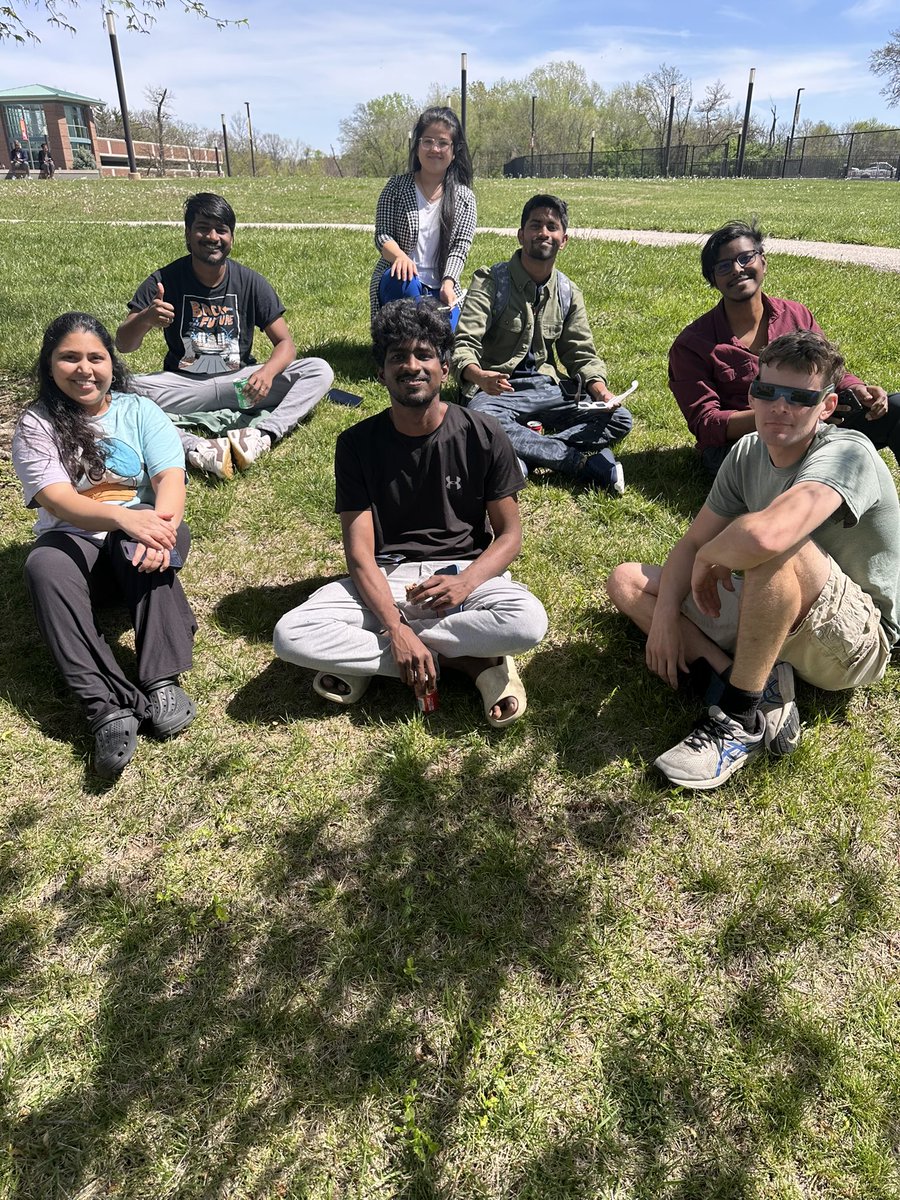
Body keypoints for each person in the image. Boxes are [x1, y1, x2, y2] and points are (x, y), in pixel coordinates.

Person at [606, 330, 900, 791]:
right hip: (776, 606)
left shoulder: (848, 452)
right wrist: (664, 615)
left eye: (799, 398)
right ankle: (753, 686)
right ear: (752, 394)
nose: (779, 407)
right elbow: (691, 543)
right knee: (627, 581)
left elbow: (767, 535)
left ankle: (738, 720)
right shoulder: (747, 450)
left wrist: (714, 554)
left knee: (775, 546)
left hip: (854, 641)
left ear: (825, 407)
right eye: (767, 392)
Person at [274, 299, 548, 726]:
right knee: (289, 635)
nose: (412, 366)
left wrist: (467, 582)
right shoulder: (356, 445)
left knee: (529, 621)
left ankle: (374, 661)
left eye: (424, 354)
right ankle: (469, 662)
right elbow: (360, 555)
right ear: (381, 372)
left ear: (443, 366)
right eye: (398, 356)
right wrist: (394, 626)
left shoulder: (483, 432)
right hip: (386, 579)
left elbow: (510, 535)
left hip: (463, 576)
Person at [11, 313, 198, 779]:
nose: (84, 368)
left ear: (112, 363)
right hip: (75, 546)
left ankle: (161, 678)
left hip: (141, 538)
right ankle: (106, 707)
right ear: (49, 365)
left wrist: (161, 528)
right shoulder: (37, 424)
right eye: (69, 358)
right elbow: (58, 498)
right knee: (43, 566)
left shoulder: (140, 411)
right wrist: (121, 515)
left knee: (138, 545)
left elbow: (169, 477)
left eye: (95, 357)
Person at [116, 192, 334, 480]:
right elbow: (123, 344)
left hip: (243, 386)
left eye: (221, 230)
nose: (212, 236)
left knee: (318, 369)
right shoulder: (163, 281)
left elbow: (286, 344)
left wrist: (267, 374)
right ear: (188, 233)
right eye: (203, 227)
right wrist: (145, 319)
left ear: (231, 237)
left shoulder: (250, 281)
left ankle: (262, 436)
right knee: (113, 391)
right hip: (185, 386)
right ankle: (198, 448)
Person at [669, 219, 900, 476]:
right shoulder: (692, 344)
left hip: (812, 424)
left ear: (763, 262)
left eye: (745, 258)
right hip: (746, 446)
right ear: (713, 279)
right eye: (724, 266)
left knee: (898, 408)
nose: (737, 269)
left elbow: (829, 372)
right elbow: (707, 424)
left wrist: (857, 388)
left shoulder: (796, 315)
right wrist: (788, 415)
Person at [453, 194, 633, 495]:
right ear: (521, 234)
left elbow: (580, 352)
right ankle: (577, 463)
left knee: (618, 418)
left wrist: (601, 391)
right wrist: (479, 375)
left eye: (552, 226)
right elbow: (465, 343)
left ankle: (527, 451)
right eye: (535, 225)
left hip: (547, 389)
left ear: (564, 239)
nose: (543, 233)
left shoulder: (567, 291)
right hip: (498, 390)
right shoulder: (490, 282)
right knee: (481, 421)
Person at [370, 106, 476, 331]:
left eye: (443, 143)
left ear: (454, 151)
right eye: (427, 141)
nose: (434, 149)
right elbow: (382, 235)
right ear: (417, 147)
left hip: (441, 287)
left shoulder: (465, 198)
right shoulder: (396, 187)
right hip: (402, 281)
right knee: (404, 282)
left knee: (449, 343)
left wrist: (448, 282)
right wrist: (400, 257)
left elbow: (460, 248)